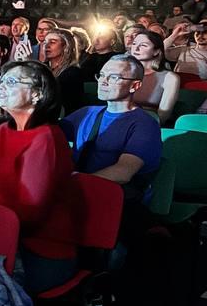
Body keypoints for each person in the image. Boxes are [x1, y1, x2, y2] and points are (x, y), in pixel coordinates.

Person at [0, 61, 74, 294]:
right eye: (1, 81)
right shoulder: (1, 132)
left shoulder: (47, 138)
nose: (0, 87)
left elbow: (30, 211)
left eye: (11, 82)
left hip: (38, 249)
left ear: (37, 94)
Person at [61, 55, 162, 220]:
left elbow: (123, 172)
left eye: (114, 77)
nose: (103, 81)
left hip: (112, 199)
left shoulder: (144, 124)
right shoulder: (87, 112)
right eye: (101, 75)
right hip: (77, 192)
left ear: (134, 85)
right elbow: (49, 135)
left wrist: (72, 184)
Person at [127, 30, 181, 124]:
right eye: (134, 44)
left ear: (156, 51)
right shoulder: (124, 72)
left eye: (143, 45)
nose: (136, 48)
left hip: (148, 124)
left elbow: (163, 115)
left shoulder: (170, 78)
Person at [40, 29, 85, 114]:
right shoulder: (42, 68)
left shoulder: (73, 73)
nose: (46, 46)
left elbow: (53, 96)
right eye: (45, 42)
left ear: (65, 46)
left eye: (52, 42)